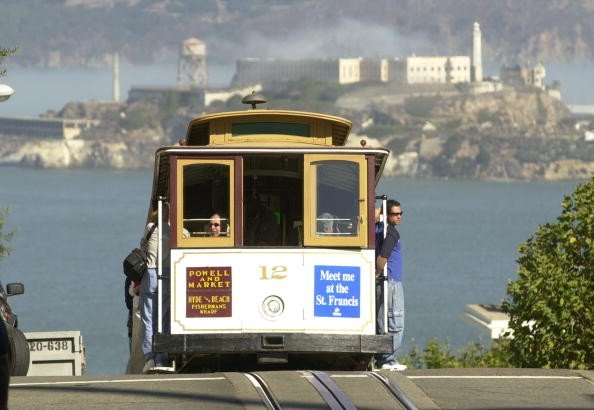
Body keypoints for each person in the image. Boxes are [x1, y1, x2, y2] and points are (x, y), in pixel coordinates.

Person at [140, 205, 173, 374]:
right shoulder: (175, 231)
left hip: (151, 272)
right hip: (167, 274)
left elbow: (142, 246)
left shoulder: (150, 228)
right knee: (164, 317)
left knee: (148, 316)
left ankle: (149, 357)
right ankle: (162, 356)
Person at [375, 199, 407, 371]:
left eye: (401, 213)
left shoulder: (377, 230)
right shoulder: (391, 233)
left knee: (381, 320)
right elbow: (383, 256)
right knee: (395, 318)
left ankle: (382, 358)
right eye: (395, 214)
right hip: (391, 281)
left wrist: (380, 211)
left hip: (382, 283)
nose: (399, 216)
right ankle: (389, 358)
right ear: (387, 215)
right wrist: (378, 272)